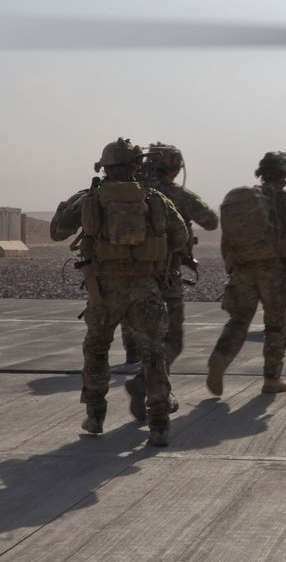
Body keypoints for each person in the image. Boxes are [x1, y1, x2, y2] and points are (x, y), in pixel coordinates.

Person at [50, 138, 188, 447]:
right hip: (147, 289)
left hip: (104, 290)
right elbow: (180, 238)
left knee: (97, 350)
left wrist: (69, 207)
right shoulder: (155, 199)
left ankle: (95, 417)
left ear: (105, 167)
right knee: (154, 355)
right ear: (137, 167)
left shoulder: (89, 199)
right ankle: (159, 424)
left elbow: (57, 231)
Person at [122, 143, 219, 422]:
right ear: (175, 169)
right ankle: (148, 387)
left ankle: (151, 390)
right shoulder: (178, 195)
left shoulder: (130, 194)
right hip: (166, 278)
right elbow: (211, 222)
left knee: (145, 338)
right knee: (171, 341)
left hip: (129, 276)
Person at [205, 151, 286, 396]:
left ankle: (220, 357)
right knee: (275, 325)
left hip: (242, 270)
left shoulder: (244, 200)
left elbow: (227, 240)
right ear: (285, 176)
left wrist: (235, 265)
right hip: (273, 272)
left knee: (238, 321)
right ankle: (272, 379)